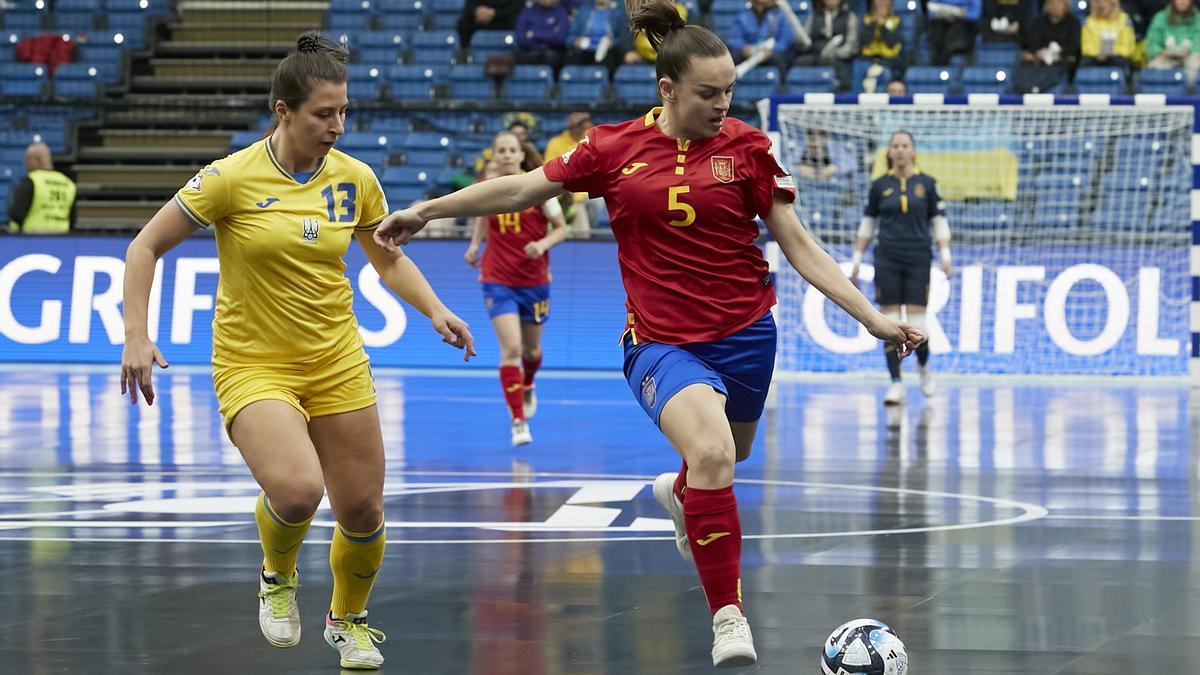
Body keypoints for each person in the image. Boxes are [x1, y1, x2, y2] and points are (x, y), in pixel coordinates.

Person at [372, 1, 923, 667]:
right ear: (667, 89)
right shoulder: (612, 148)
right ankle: (728, 615)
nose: (723, 104)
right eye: (708, 93)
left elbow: (800, 246)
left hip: (748, 334)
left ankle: (681, 492)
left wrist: (871, 318)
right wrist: (427, 209)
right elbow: (520, 188)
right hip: (660, 340)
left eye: (729, 92)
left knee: (726, 459)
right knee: (716, 454)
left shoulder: (749, 149)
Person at [119, 32, 475, 671]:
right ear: (282, 111)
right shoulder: (230, 177)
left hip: (336, 360)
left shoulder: (356, 179)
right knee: (297, 489)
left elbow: (386, 259)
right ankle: (277, 575)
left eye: (343, 112)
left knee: (363, 508)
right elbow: (143, 247)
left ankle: (350, 619)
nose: (337, 126)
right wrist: (136, 334)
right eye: (323, 113)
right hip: (253, 362)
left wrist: (435, 308)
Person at [466, 131, 568, 446]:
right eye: (502, 150)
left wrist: (543, 243)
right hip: (497, 279)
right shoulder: (487, 188)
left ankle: (529, 382)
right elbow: (483, 218)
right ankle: (518, 422)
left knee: (531, 351)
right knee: (510, 350)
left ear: (521, 155)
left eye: (513, 150)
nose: (508, 155)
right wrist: (475, 246)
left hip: (534, 281)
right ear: (494, 156)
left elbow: (563, 229)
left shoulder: (539, 187)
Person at [849, 131, 951, 406]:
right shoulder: (879, 185)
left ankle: (924, 369)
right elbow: (868, 223)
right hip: (887, 258)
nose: (901, 150)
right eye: (896, 145)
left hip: (918, 257)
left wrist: (946, 256)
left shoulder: (928, 184)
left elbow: (939, 220)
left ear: (913, 151)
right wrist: (857, 259)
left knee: (918, 324)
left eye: (905, 145)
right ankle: (895, 384)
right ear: (890, 152)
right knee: (890, 322)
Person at [6, 142, 76, 234]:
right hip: (61, 241)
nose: (25, 163)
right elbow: (72, 219)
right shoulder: (68, 183)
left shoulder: (31, 181)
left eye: (27, 159)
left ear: (38, 160)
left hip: (32, 240)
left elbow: (16, 214)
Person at [1013, 0, 1080, 93]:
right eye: (1051, 3)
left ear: (1066, 5)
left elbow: (1074, 47)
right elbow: (1030, 42)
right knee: (1021, 58)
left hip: (1061, 62)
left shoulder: (1074, 23)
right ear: (1046, 5)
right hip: (1038, 61)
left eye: (1059, 3)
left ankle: (1041, 88)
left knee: (1071, 61)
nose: (1055, 6)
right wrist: (1038, 53)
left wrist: (1060, 55)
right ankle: (1024, 88)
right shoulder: (1037, 22)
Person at [795, 0, 859, 90]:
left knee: (841, 69)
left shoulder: (849, 16)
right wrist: (801, 42)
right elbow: (805, 39)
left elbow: (851, 45)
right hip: (816, 55)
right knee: (798, 62)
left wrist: (836, 53)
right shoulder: (814, 16)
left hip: (838, 58)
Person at [724, 0, 800, 73]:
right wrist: (744, 48)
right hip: (750, 52)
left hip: (771, 53)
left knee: (781, 58)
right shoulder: (743, 15)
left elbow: (786, 40)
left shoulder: (781, 15)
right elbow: (734, 39)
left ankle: (781, 85)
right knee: (732, 56)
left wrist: (771, 51)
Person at [1145, 0, 1200, 87]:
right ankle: (1162, 92)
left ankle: (1192, 94)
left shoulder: (1198, 19)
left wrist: (1190, 51)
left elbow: (1198, 42)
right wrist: (1163, 52)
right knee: (1155, 65)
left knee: (1196, 64)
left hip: (1189, 56)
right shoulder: (1160, 17)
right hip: (1165, 56)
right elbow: (1152, 43)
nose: (1182, 2)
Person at [515, 0, 571, 71]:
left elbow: (560, 38)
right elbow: (520, 38)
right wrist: (549, 36)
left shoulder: (561, 12)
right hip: (528, 54)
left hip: (553, 55)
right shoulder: (527, 11)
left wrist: (534, 34)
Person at [1080, 0, 1136, 71]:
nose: (1101, 5)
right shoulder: (1089, 21)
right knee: (1085, 61)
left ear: (1113, 3)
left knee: (1121, 62)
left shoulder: (1124, 20)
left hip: (1117, 57)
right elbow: (1085, 48)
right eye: (1098, 2)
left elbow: (1128, 48)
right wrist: (1099, 54)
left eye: (1105, 2)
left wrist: (1112, 53)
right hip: (1095, 57)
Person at [925, 0, 981, 65]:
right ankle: (938, 65)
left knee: (956, 32)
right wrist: (954, 11)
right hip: (942, 22)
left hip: (964, 25)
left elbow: (975, 14)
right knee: (936, 30)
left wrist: (958, 14)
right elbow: (931, 10)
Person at [458, 0, 524, 47]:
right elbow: (468, 8)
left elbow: (516, 8)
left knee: (518, 21)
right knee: (464, 23)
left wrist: (494, 13)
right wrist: (476, 12)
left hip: (503, 20)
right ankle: (465, 53)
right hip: (480, 20)